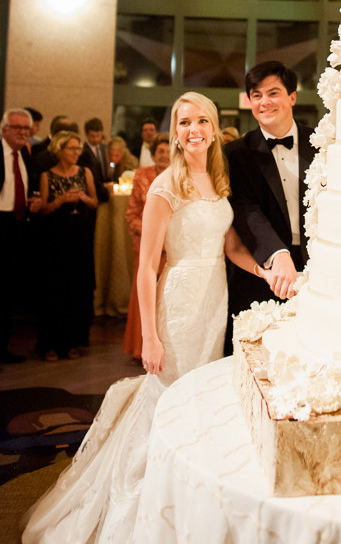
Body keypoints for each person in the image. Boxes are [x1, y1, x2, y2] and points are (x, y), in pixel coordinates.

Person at [22, 92, 278, 544]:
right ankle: (151, 491)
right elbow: (146, 267)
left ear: (214, 128)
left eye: (202, 121)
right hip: (178, 302)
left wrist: (268, 271)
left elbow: (232, 247)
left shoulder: (218, 180)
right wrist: (151, 338)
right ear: (175, 133)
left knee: (197, 396)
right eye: (184, 123)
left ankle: (185, 486)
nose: (194, 130)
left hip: (214, 298)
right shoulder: (165, 186)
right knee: (169, 395)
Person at [224, 60, 316, 353]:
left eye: (273, 93)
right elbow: (245, 207)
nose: (264, 102)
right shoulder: (236, 154)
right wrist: (276, 255)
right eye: (256, 95)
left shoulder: (323, 144)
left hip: (318, 271)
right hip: (262, 274)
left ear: (292, 97)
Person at [36, 131, 98, 361]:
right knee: (54, 291)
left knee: (76, 290)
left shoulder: (86, 172)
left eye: (77, 148)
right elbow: (43, 209)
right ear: (60, 150)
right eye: (72, 148)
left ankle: (72, 341)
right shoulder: (46, 176)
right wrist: (61, 200)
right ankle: (50, 344)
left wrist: (82, 198)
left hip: (79, 239)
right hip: (55, 241)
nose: (76, 153)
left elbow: (94, 202)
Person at [122, 132, 170, 359]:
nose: (165, 155)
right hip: (147, 245)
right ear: (153, 154)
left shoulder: (180, 176)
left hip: (172, 247)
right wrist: (150, 232)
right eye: (160, 151)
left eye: (169, 151)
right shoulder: (142, 175)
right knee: (144, 293)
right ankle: (141, 347)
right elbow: (131, 214)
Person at [0, 108, 41, 363]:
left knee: (7, 290)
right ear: (4, 130)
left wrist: (32, 201)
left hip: (17, 225)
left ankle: (3, 348)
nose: (23, 133)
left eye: (26, 129)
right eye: (18, 129)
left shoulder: (25, 156)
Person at [79, 116, 110, 203]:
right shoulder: (82, 152)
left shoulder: (104, 148)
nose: (96, 139)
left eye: (98, 136)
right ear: (86, 134)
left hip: (105, 190)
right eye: (92, 136)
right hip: (91, 191)